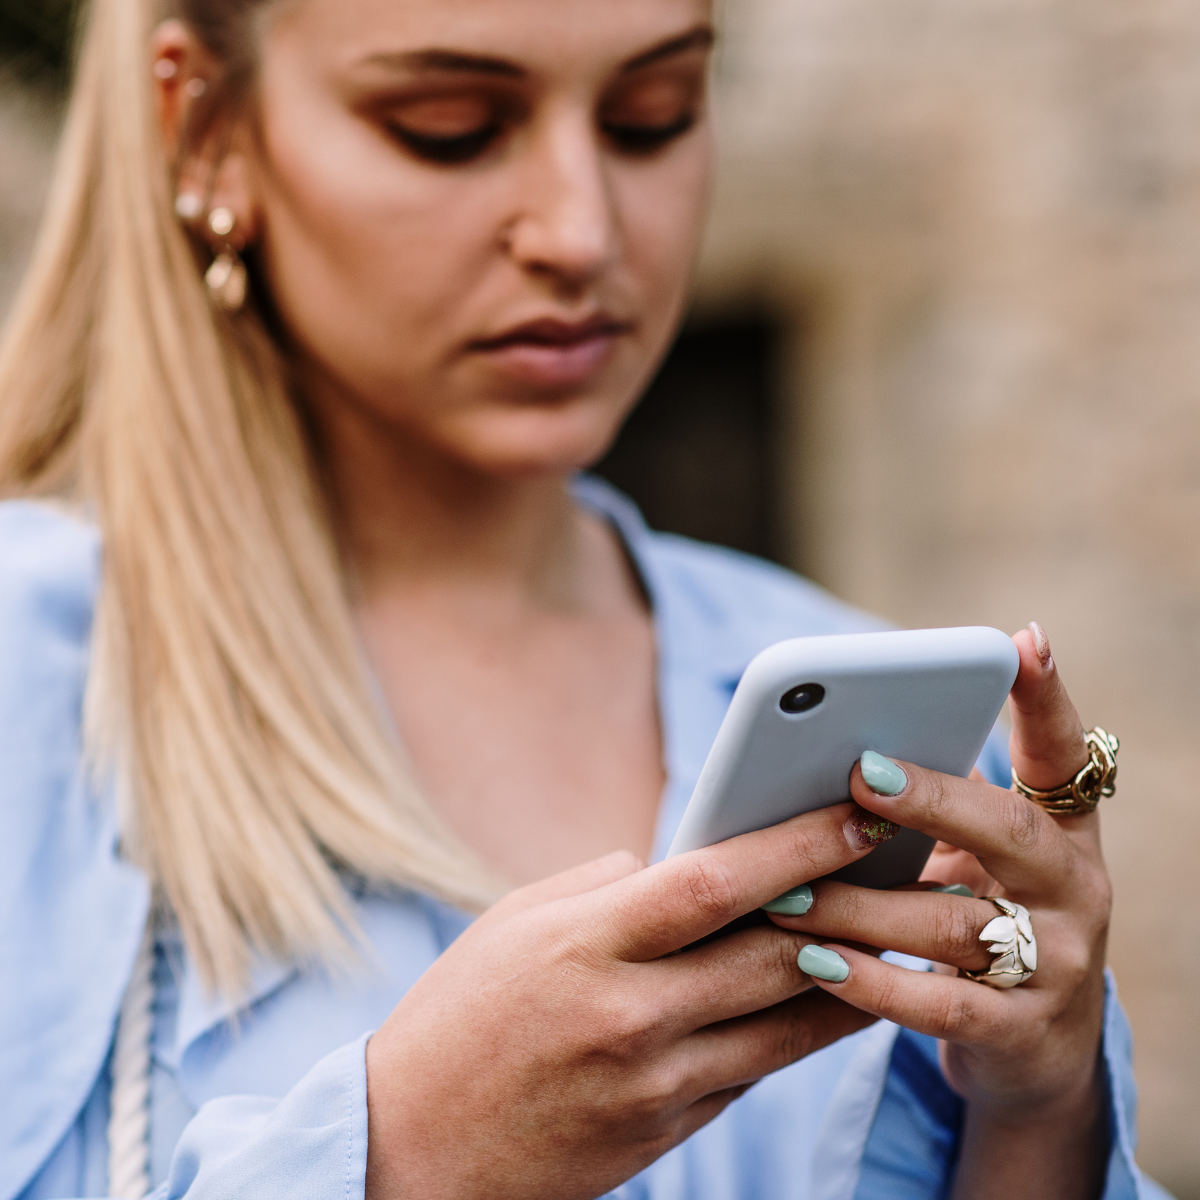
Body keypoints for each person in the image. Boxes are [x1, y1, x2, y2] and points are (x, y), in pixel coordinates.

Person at [0, 0, 1168, 1197]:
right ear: (203, 127)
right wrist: (402, 1159)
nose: (580, 227)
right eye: (448, 127)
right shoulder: (33, 680)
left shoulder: (844, 703)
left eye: (650, 119)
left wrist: (1038, 1113)